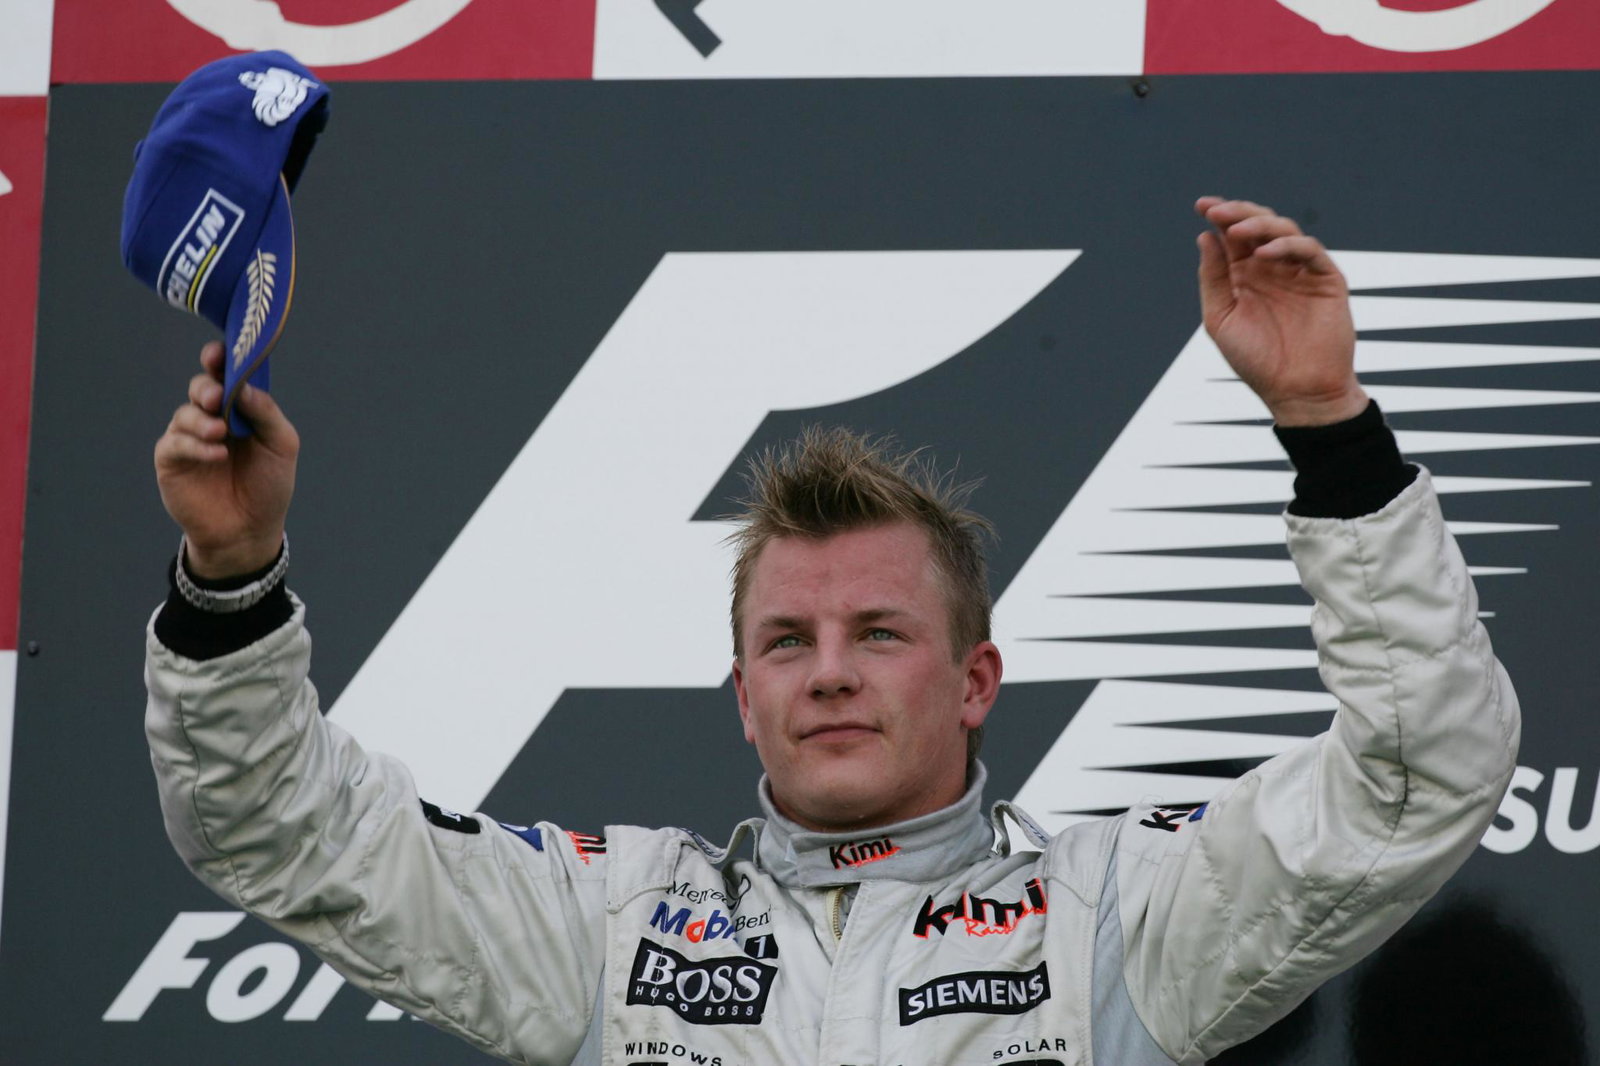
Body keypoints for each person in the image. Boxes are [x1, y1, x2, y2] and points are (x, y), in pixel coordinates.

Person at [145, 199, 1519, 1065]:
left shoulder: (1114, 913)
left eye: (878, 629)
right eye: (788, 642)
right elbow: (276, 825)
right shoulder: (617, 927)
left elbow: (1418, 776)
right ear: (742, 692)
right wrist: (231, 567)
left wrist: (1330, 434)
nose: (832, 672)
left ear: (977, 678)